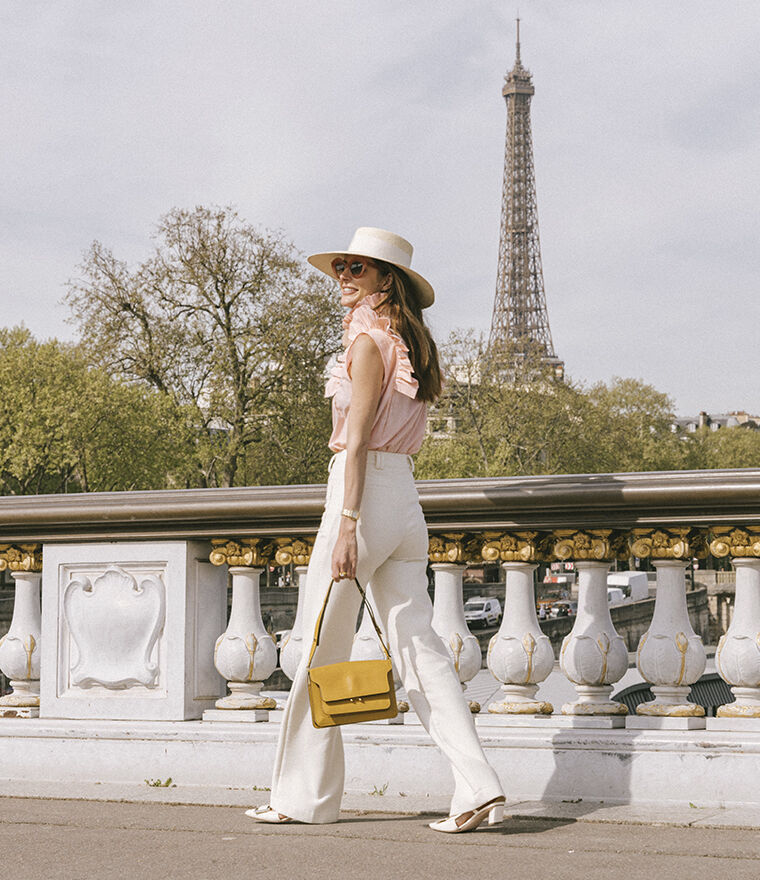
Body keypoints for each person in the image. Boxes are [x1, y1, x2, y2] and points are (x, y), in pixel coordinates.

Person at [247, 227, 505, 833]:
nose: (343, 276)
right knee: (421, 650)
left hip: (359, 496)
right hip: (405, 500)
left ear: (385, 279)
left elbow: (357, 440)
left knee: (318, 646)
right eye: (340, 266)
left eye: (356, 268)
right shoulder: (412, 347)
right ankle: (478, 785)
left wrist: (347, 525)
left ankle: (302, 798)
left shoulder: (366, 343)